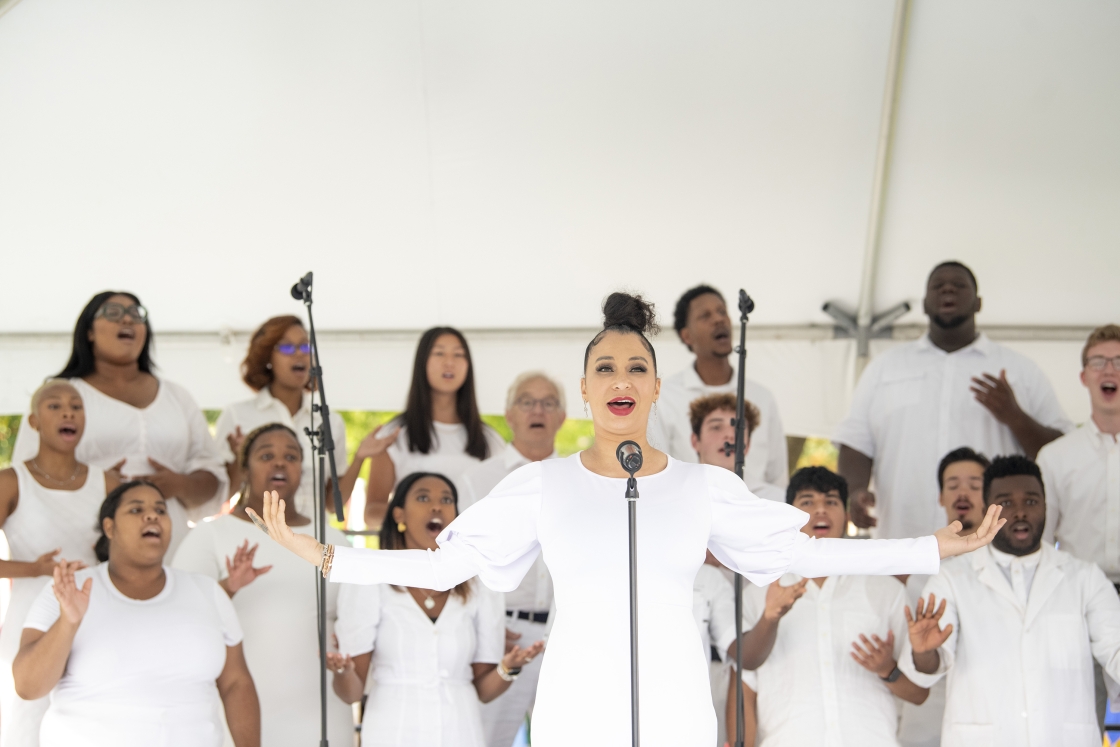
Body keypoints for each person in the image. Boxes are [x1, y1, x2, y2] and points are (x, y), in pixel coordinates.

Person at [251, 291, 1005, 747]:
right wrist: (332, 556)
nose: (620, 380)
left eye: (636, 368)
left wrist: (929, 546)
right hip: (578, 704)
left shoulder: (701, 485)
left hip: (676, 704)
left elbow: (806, 551)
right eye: (605, 369)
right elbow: (448, 564)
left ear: (654, 391)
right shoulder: (540, 483)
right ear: (585, 389)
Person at [835, 261, 1072, 539]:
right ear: (924, 304)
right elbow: (856, 443)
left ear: (978, 303)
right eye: (938, 286)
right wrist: (855, 492)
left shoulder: (1020, 370)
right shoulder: (886, 368)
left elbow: (1060, 453)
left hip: (991, 541)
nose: (948, 289)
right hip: (905, 535)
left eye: (959, 285)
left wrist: (1015, 417)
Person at [13, 481, 259, 747]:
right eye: (135, 510)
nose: (152, 515)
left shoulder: (208, 591)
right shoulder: (66, 590)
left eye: (160, 510)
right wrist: (68, 622)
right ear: (110, 527)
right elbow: (28, 686)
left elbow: (236, 683)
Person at [898, 455, 1120, 746]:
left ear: (1045, 506)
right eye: (1005, 503)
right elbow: (928, 669)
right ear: (983, 509)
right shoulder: (951, 579)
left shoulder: (1084, 578)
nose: (1019, 513)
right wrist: (924, 651)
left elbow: (1115, 648)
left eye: (1030, 501)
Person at [325, 472, 543, 747]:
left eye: (447, 499)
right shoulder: (371, 581)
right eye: (423, 497)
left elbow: (485, 691)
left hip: (461, 731)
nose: (437, 506)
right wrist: (342, 671)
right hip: (392, 729)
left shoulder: (480, 586)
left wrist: (509, 668)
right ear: (399, 515)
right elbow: (351, 693)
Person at [172, 424, 353, 746]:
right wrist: (228, 586)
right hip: (234, 711)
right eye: (266, 455)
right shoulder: (210, 533)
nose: (280, 463)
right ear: (244, 468)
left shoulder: (332, 539)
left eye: (291, 456)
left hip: (319, 711)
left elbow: (356, 618)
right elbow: (178, 615)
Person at [11, 292, 227, 557]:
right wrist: (94, 484)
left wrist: (179, 484)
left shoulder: (177, 396)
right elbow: (28, 478)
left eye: (137, 314)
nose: (127, 319)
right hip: (86, 546)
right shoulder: (60, 396)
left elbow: (213, 476)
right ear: (89, 331)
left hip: (172, 547)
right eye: (113, 312)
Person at [728, 467, 928, 747]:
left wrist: (888, 669)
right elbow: (743, 692)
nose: (820, 510)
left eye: (831, 502)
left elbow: (919, 693)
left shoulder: (885, 590)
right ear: (789, 517)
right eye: (807, 502)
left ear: (847, 517)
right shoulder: (758, 592)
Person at [0, 380, 116, 747]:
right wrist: (33, 569)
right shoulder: (11, 481)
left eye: (76, 406)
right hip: (28, 618)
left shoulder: (108, 481)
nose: (68, 412)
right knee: (28, 721)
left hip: (92, 615)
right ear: (33, 421)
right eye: (54, 406)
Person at [459, 372, 565, 747]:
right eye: (527, 401)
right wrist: (487, 627)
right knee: (488, 739)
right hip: (501, 635)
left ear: (563, 417)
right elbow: (463, 564)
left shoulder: (580, 479)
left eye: (549, 402)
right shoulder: (477, 480)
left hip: (563, 636)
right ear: (508, 414)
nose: (538, 410)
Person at [356, 327, 506, 530]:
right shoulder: (394, 435)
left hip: (472, 556)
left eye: (459, 354)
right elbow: (372, 513)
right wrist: (414, 517)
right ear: (422, 362)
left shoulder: (490, 439)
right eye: (439, 353)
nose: (449, 362)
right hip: (416, 556)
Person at [213, 316, 359, 516]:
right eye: (288, 348)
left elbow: (332, 505)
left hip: (310, 539)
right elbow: (220, 497)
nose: (299, 354)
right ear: (267, 358)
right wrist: (239, 462)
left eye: (305, 347)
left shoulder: (329, 422)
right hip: (256, 535)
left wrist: (361, 457)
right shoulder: (237, 415)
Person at [650, 285, 788, 490]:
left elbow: (778, 478)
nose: (718, 319)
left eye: (722, 312)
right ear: (687, 336)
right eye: (705, 316)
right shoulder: (664, 397)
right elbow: (656, 473)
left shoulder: (761, 398)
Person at [897, 447, 990, 747]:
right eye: (953, 485)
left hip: (990, 713)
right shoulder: (915, 568)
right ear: (940, 496)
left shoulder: (1004, 568)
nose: (963, 493)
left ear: (990, 494)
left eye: (975, 485)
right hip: (928, 718)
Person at [1040, 324, 1120, 583]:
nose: (1109, 370)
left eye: (1119, 361)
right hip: (1077, 596)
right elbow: (1042, 542)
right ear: (1084, 376)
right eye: (1098, 362)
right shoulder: (1054, 457)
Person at [688, 393, 785, 502]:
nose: (730, 435)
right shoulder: (676, 493)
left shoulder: (776, 500)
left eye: (738, 429)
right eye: (716, 427)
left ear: (747, 445)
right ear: (695, 441)